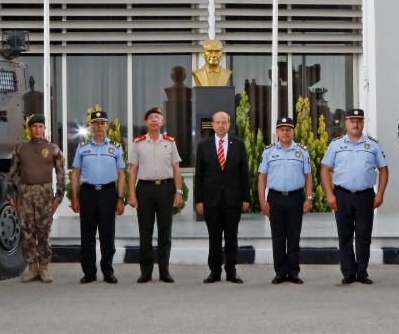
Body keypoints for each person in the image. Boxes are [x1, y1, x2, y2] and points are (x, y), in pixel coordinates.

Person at [320, 108, 389, 285]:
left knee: (364, 235)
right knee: (345, 235)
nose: (355, 124)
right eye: (352, 120)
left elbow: (383, 170)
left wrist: (380, 194)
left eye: (358, 120)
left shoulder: (373, 145)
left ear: (363, 123)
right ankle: (349, 272)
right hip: (342, 195)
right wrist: (329, 194)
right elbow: (325, 169)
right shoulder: (336, 144)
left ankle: (362, 272)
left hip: (366, 196)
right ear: (346, 123)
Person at [193, 109, 251, 284]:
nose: (220, 125)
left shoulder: (239, 144)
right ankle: (214, 271)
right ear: (212, 124)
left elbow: (244, 174)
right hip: (211, 201)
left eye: (224, 122)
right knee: (214, 238)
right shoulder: (204, 145)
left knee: (232, 237)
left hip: (233, 200)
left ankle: (231, 271)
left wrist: (246, 198)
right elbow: (199, 175)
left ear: (229, 125)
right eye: (217, 122)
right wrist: (199, 200)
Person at [69, 110, 126, 284]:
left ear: (107, 126)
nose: (99, 126)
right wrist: (75, 197)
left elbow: (122, 174)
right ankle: (89, 272)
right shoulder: (82, 147)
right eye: (95, 123)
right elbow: (75, 174)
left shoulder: (115, 147)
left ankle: (108, 271)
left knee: (107, 234)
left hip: (108, 193)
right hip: (88, 194)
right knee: (87, 234)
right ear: (91, 126)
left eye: (102, 123)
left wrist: (120, 198)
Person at [127, 106, 183, 284]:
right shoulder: (138, 143)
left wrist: (179, 191)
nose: (153, 120)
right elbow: (133, 170)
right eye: (150, 117)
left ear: (162, 122)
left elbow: (176, 169)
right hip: (144, 190)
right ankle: (146, 272)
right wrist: (132, 194)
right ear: (146, 122)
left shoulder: (170, 142)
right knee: (146, 233)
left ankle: (164, 271)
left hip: (166, 190)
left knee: (165, 233)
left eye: (157, 117)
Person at [6, 114, 65, 283]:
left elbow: (61, 174)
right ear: (29, 129)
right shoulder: (20, 148)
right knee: (27, 232)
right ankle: (32, 267)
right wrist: (12, 194)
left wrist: (58, 196)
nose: (37, 129)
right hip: (24, 196)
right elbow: (12, 173)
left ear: (45, 128)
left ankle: (44, 267)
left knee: (43, 231)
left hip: (45, 195)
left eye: (40, 126)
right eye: (34, 126)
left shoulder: (53, 148)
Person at [258, 115, 313, 284]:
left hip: (296, 197)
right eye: (282, 129)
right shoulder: (269, 152)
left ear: (293, 131)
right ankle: (280, 272)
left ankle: (293, 272)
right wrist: (262, 200)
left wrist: (309, 198)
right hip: (275, 198)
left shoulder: (302, 151)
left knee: (294, 236)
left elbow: (308, 176)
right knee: (278, 237)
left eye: (288, 129)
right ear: (277, 132)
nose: (285, 132)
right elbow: (262, 178)